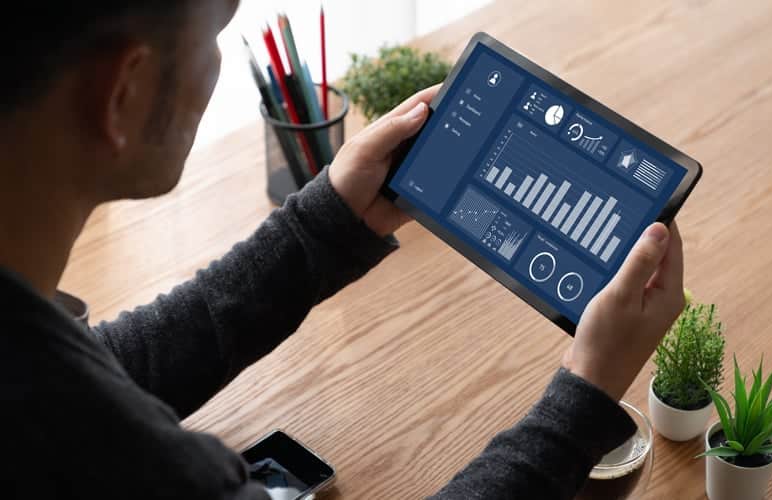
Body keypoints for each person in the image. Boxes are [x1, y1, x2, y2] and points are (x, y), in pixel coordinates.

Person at [0, 1, 685, 499]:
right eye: (215, 33)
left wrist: (320, 227)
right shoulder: (125, 463)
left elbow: (97, 372)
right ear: (121, 93)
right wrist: (587, 393)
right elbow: (89, 415)